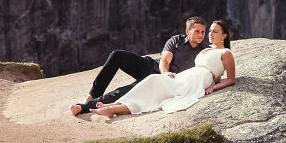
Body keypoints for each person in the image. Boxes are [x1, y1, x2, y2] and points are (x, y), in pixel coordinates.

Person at [91, 19, 235, 117]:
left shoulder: (226, 53)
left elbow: (230, 79)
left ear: (224, 35)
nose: (209, 34)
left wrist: (213, 88)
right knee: (153, 80)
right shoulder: (206, 50)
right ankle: (114, 104)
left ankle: (113, 109)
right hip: (185, 76)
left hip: (196, 82)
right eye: (209, 31)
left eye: (214, 31)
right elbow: (166, 59)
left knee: (156, 89)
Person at [70, 17, 209, 116]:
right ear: (187, 31)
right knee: (117, 55)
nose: (201, 35)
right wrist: (165, 72)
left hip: (162, 83)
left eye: (203, 32)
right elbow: (165, 60)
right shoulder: (177, 40)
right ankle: (92, 95)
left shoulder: (205, 50)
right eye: (197, 31)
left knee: (124, 91)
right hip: (152, 67)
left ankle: (84, 107)